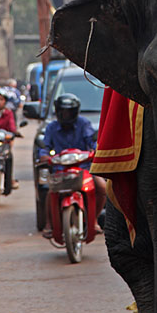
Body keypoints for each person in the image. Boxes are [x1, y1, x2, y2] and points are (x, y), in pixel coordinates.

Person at [37, 93, 104, 238]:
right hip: (61, 170)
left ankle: (94, 220)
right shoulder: (51, 127)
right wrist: (44, 155)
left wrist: (95, 150)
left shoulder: (84, 124)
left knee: (102, 187)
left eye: (69, 112)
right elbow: (45, 146)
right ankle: (49, 224)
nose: (66, 115)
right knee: (50, 191)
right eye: (63, 111)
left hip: (84, 168)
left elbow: (92, 141)